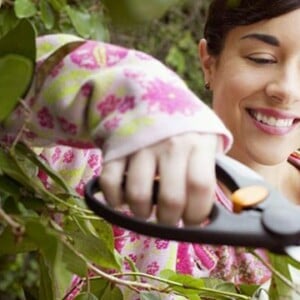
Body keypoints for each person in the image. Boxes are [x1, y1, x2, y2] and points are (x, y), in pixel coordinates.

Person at [2, 0, 300, 299]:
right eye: (261, 58)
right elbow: (17, 88)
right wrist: (141, 97)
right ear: (209, 62)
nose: (287, 89)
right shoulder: (124, 166)